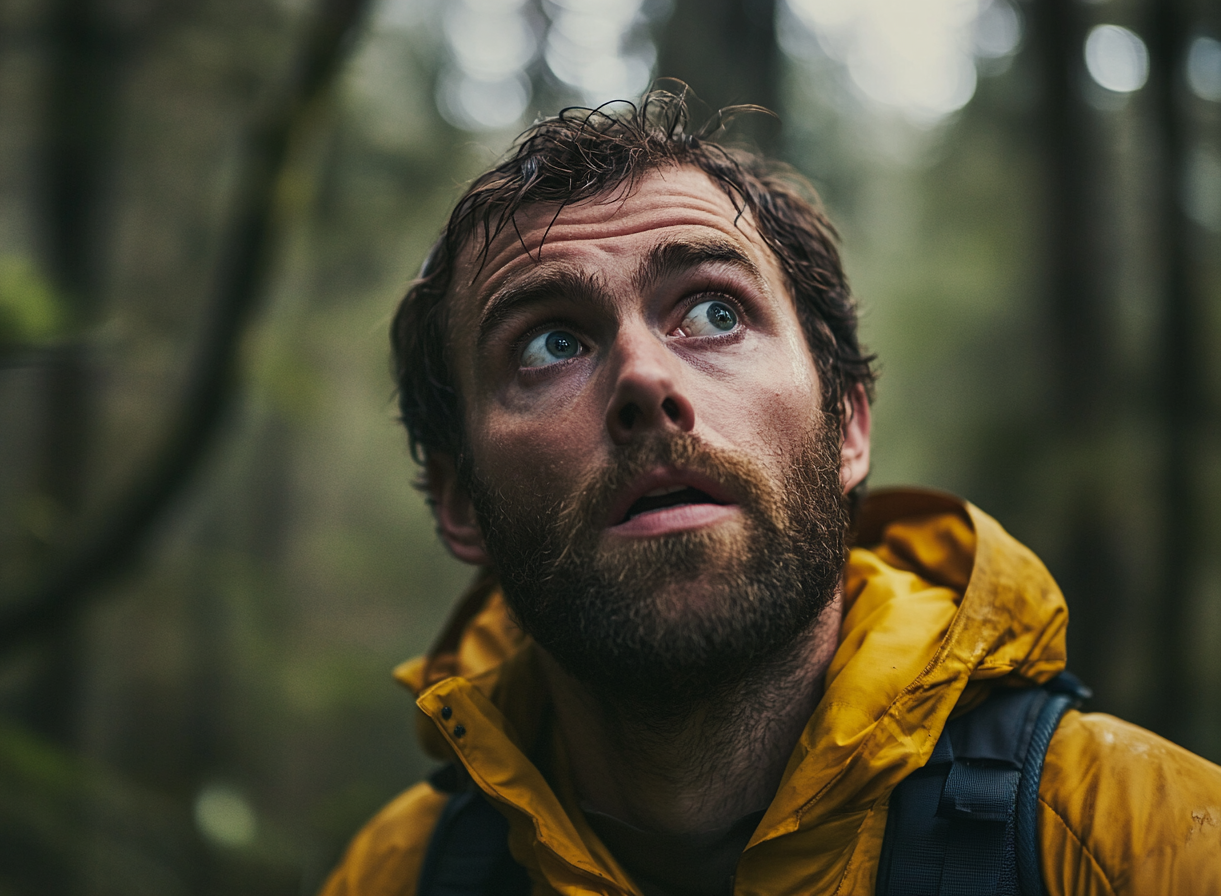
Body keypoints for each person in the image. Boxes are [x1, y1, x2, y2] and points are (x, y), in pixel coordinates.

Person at [321, 89, 1221, 896]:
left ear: (847, 427)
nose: (644, 377)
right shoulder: (397, 877)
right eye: (549, 343)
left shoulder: (1140, 844)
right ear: (462, 501)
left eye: (714, 311)